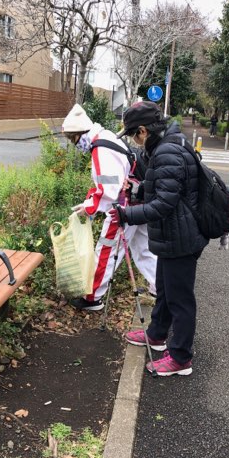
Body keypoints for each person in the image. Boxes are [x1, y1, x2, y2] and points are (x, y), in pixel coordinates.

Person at [109, 101, 209, 376]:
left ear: (143, 131)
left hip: (181, 237)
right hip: (172, 234)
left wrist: (127, 214)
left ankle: (181, 357)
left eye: (133, 135)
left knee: (180, 300)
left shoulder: (167, 152)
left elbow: (164, 204)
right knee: (165, 291)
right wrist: (139, 191)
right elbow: (167, 190)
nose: (134, 141)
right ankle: (156, 335)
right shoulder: (166, 146)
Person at [61, 103, 157, 311]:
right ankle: (160, 287)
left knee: (106, 248)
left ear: (80, 134)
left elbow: (109, 188)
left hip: (122, 207)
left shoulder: (101, 149)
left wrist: (89, 207)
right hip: (139, 201)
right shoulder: (107, 137)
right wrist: (90, 202)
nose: (74, 144)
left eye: (73, 139)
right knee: (143, 248)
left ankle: (92, 297)